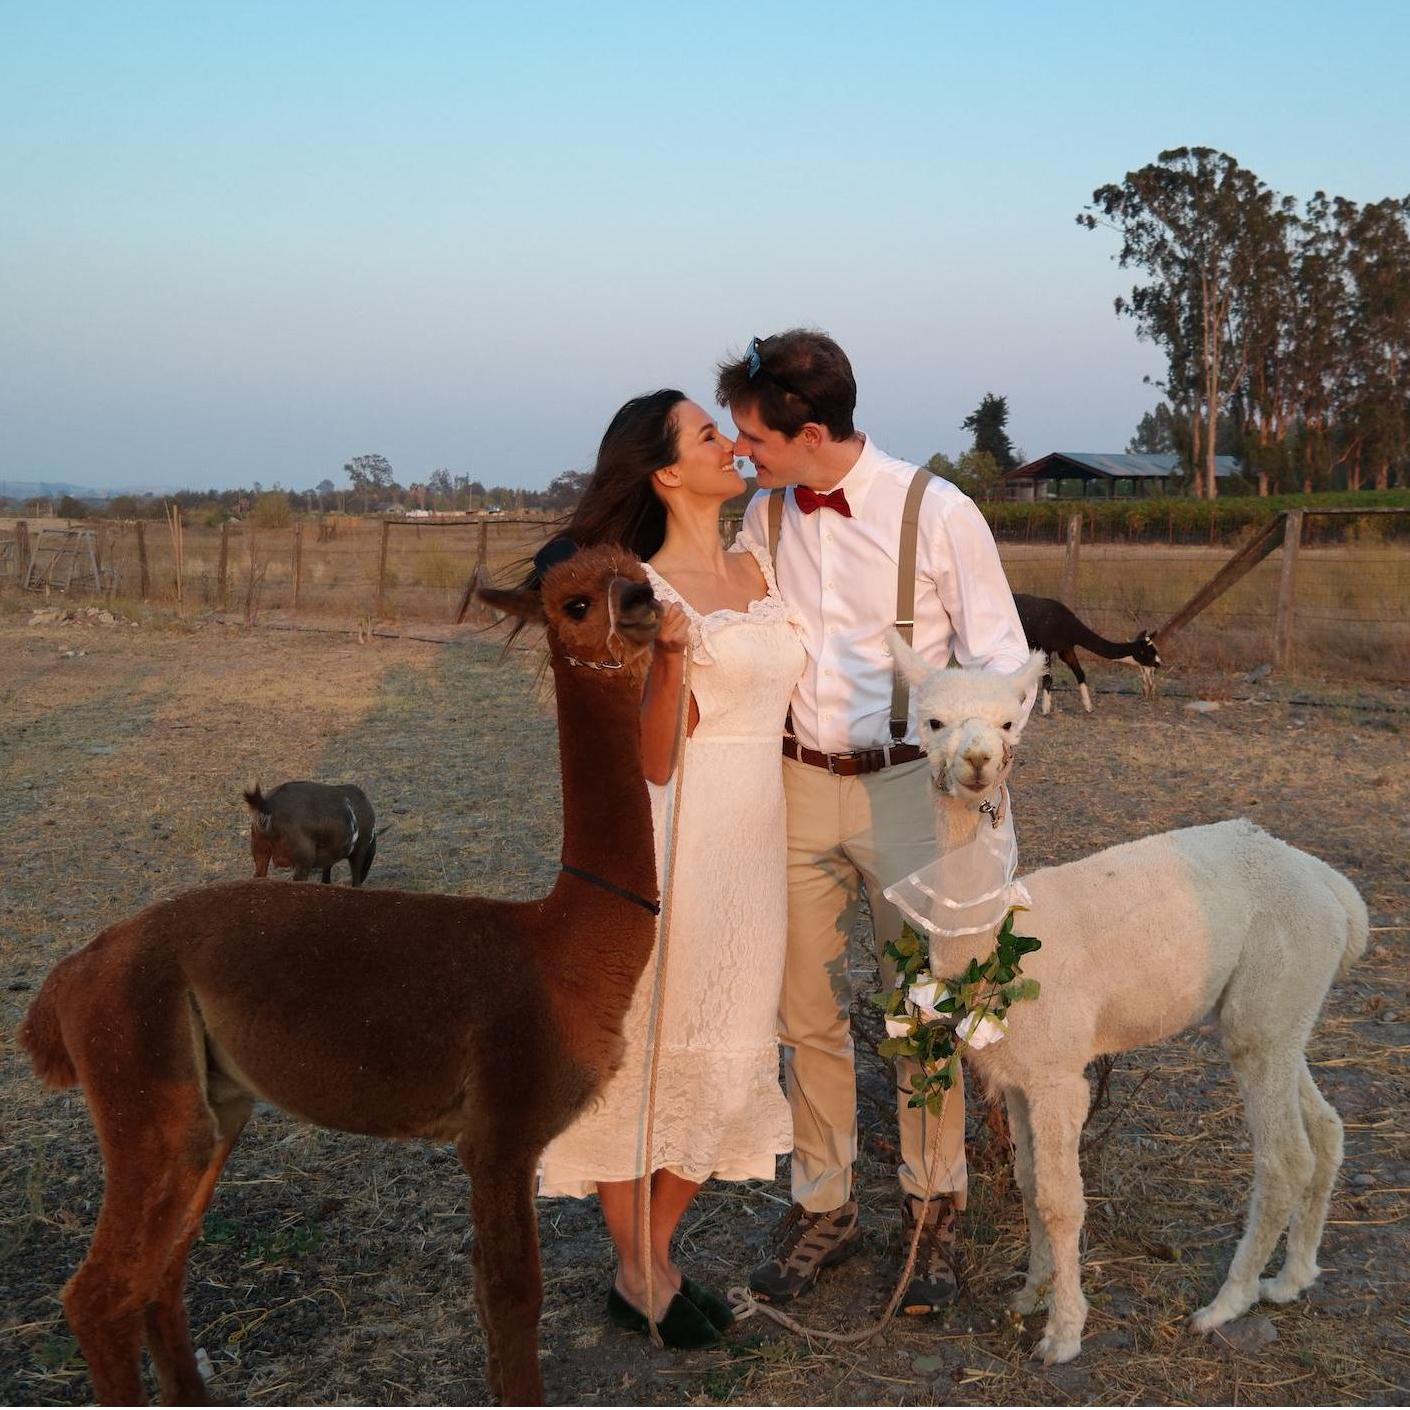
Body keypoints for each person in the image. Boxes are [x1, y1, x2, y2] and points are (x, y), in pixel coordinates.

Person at [717, 329, 1030, 1313]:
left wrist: (974, 774)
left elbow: (1004, 664)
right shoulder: (763, 516)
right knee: (804, 1012)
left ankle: (934, 1211)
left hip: (910, 790)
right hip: (793, 786)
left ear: (810, 432)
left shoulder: (939, 513)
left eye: (754, 438)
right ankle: (825, 1205)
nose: (742, 455)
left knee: (924, 1010)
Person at [536, 389, 803, 1348]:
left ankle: (650, 1253)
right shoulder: (639, 589)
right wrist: (677, 658)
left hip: (757, 842)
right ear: (665, 472)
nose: (730, 444)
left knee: (731, 1048)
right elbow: (653, 760)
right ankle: (642, 1271)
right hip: (677, 836)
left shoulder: (763, 560)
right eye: (708, 434)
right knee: (644, 1049)